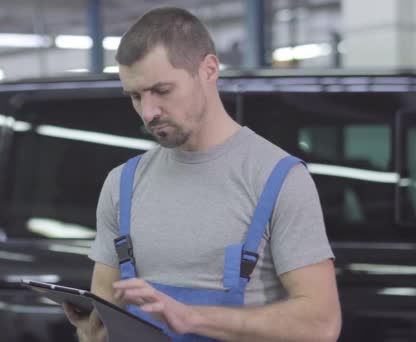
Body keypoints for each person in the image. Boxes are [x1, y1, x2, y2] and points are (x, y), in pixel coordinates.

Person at [63, 6, 341, 342]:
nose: (148, 112)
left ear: (208, 69)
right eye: (135, 96)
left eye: (162, 90)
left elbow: (321, 325)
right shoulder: (122, 185)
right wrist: (91, 332)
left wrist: (192, 318)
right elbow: (103, 319)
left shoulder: (278, 179)